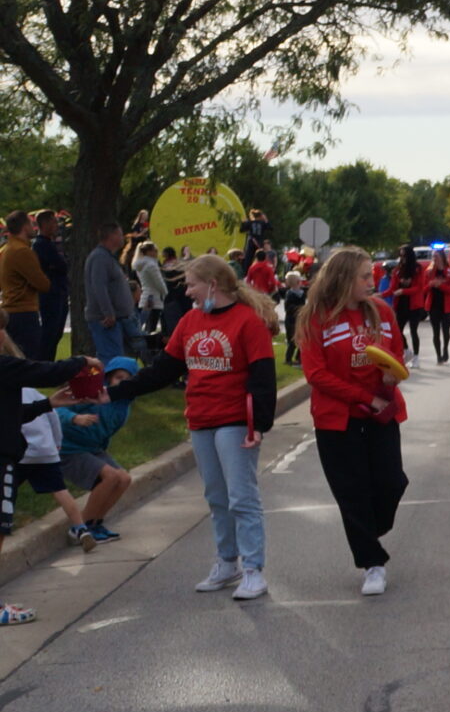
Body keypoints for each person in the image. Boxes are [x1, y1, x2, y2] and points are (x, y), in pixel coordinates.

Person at [112, 255, 280, 601]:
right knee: (217, 497)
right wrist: (116, 392)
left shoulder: (248, 322)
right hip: (200, 419)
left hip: (234, 420)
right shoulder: (190, 321)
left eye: (191, 284)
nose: (187, 291)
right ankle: (227, 562)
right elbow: (163, 370)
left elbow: (264, 378)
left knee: (241, 497)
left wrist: (259, 424)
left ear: (213, 284)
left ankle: (253, 570)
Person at [299, 247, 410, 595]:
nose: (372, 280)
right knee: (353, 492)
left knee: (392, 482)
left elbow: (396, 353)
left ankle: (366, 530)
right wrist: (364, 398)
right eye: (364, 275)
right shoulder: (316, 318)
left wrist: (392, 378)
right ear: (343, 278)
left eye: (372, 273)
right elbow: (315, 373)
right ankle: (371, 564)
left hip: (383, 413)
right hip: (337, 419)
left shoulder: (381, 311)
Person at [0, 329, 97, 601]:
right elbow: (45, 372)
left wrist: (47, 404)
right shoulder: (5, 365)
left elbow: (9, 416)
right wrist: (82, 362)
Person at [59, 355, 139, 548]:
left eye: (128, 380)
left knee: (124, 478)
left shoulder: (123, 406)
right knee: (110, 477)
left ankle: (96, 523)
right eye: (119, 378)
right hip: (68, 448)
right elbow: (57, 410)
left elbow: (106, 431)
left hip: (92, 449)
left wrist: (102, 452)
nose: (123, 383)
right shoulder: (92, 393)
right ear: (108, 378)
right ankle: (79, 528)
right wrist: (74, 418)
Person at [84, 216, 138, 362]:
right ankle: (109, 384)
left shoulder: (108, 257)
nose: (122, 238)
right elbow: (98, 286)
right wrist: (108, 313)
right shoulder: (100, 257)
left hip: (118, 318)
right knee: (110, 358)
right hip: (105, 320)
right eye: (120, 234)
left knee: (118, 357)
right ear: (111, 236)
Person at [1, 211, 51, 359]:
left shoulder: (8, 249)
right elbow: (43, 284)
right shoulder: (22, 251)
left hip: (11, 312)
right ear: (24, 227)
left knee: (16, 358)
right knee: (28, 359)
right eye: (31, 224)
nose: (33, 227)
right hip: (23, 312)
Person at [32, 209, 68, 359]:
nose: (56, 225)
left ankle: (49, 364)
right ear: (45, 224)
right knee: (50, 332)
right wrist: (59, 265)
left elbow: (62, 265)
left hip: (60, 292)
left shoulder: (51, 244)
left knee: (56, 332)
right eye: (53, 221)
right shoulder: (41, 245)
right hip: (50, 294)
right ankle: (44, 364)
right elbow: (60, 265)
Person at [133, 241, 166, 352]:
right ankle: (151, 349)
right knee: (152, 327)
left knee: (144, 324)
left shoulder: (140, 264)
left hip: (145, 296)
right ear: (150, 252)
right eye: (155, 251)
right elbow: (159, 282)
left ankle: (144, 348)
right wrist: (166, 293)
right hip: (154, 297)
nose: (157, 253)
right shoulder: (151, 265)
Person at [392, 248, 426, 353]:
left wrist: (403, 291)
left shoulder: (417, 269)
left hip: (414, 305)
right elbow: (392, 287)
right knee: (397, 330)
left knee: (413, 331)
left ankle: (416, 356)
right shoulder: (398, 269)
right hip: (401, 304)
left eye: (404, 256)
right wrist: (382, 294)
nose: (402, 258)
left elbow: (418, 287)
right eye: (401, 256)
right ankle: (406, 349)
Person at [425, 248, 450, 363]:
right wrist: (432, 285)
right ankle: (438, 355)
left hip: (446, 305)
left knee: (446, 331)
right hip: (433, 306)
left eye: (436, 256)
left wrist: (440, 285)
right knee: (435, 332)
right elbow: (424, 289)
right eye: (433, 257)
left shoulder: (449, 272)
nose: (434, 259)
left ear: (442, 257)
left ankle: (445, 349)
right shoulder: (429, 272)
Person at [279, 268, 309, 364]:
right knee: (292, 340)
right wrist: (300, 308)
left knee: (302, 339)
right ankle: (288, 359)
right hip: (291, 320)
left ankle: (299, 357)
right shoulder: (290, 294)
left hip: (300, 319)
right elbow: (288, 307)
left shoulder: (302, 293)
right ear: (296, 282)